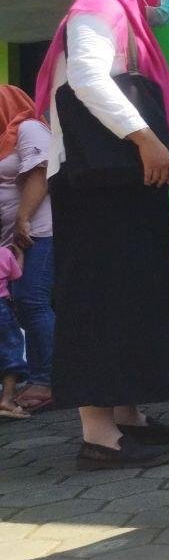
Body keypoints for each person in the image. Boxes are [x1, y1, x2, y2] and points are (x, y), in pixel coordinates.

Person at [34, 0, 169, 469]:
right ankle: (99, 435)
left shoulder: (123, 18)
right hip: (94, 182)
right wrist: (145, 137)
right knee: (100, 296)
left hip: (118, 179)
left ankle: (127, 416)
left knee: (133, 293)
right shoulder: (98, 10)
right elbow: (88, 81)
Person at [0, 86, 55, 414]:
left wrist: (22, 219)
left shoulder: (28, 127)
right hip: (15, 240)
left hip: (40, 230)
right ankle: (39, 374)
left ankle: (47, 380)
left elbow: (42, 173)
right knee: (23, 304)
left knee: (32, 300)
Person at [0, 244, 27, 419]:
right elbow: (16, 274)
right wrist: (20, 256)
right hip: (2, 308)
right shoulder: (3, 252)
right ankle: (7, 399)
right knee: (11, 349)